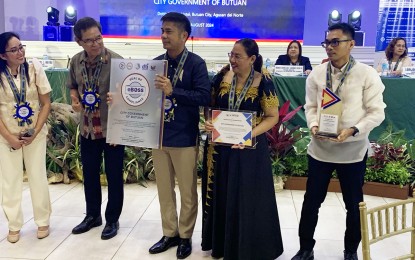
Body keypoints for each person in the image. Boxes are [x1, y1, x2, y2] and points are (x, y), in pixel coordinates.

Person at [292, 23, 386, 260]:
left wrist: (353, 130)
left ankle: (350, 250)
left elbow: (377, 112)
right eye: (327, 42)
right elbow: (311, 106)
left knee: (353, 204)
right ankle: (305, 249)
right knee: (311, 201)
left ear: (351, 44)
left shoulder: (367, 74)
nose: (329, 47)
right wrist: (313, 124)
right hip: (320, 149)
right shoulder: (316, 74)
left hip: (352, 150)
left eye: (336, 42)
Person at [201, 38, 284, 259]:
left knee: (247, 197)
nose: (232, 60)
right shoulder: (221, 76)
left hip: (249, 149)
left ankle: (248, 248)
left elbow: (272, 117)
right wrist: (208, 121)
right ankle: (221, 245)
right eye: (231, 54)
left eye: (237, 56)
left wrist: (248, 133)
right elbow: (209, 108)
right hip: (220, 149)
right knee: (222, 193)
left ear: (252, 59)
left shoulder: (263, 80)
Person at [148, 12, 211, 259]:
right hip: (159, 136)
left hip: (184, 136)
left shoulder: (196, 64)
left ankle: (185, 236)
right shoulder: (155, 64)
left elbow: (204, 96)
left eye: (169, 31)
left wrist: (174, 91)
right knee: (164, 190)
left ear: (184, 35)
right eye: (162, 30)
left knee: (187, 191)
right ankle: (169, 233)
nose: (163, 35)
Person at [68, 17, 125, 240]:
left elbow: (131, 96)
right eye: (89, 40)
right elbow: (73, 86)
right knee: (90, 175)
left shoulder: (117, 62)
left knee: (113, 176)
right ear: (79, 42)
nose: (96, 44)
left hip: (112, 130)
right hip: (88, 129)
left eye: (98, 38)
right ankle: (93, 215)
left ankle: (112, 219)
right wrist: (74, 99)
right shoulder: (75, 62)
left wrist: (119, 98)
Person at [0, 32, 51, 243]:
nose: (20, 52)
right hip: (6, 136)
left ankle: (43, 220)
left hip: (34, 135)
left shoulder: (34, 68)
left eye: (21, 47)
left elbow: (46, 103)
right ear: (3, 56)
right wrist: (9, 137)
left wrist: (35, 132)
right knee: (10, 181)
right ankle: (14, 225)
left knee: (37, 176)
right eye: (14, 50)